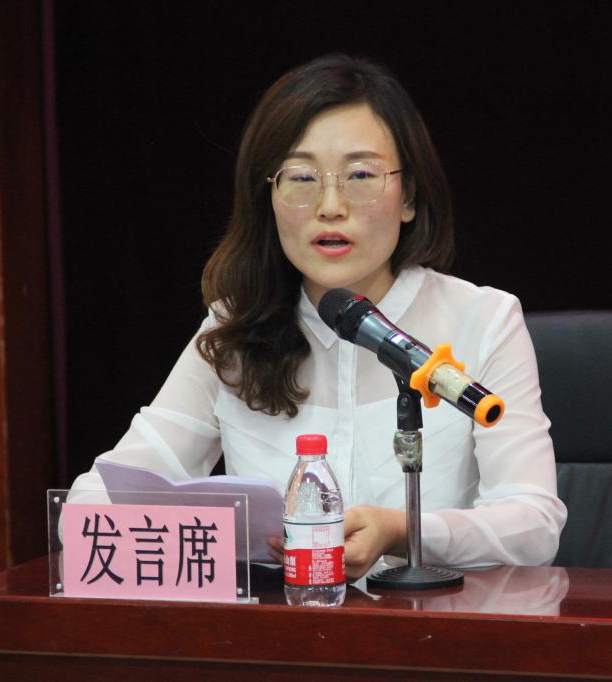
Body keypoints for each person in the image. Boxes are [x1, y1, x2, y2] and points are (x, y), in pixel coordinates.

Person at [70, 54, 566, 579]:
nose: (331, 206)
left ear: (409, 197)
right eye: (302, 177)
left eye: (360, 175)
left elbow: (534, 524)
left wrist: (403, 530)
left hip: (434, 624)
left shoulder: (482, 320)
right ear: (269, 198)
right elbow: (89, 506)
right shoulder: (234, 329)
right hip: (281, 624)